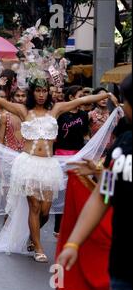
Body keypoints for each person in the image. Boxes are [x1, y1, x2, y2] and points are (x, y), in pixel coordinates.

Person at [0, 78, 113, 263]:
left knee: (45, 212)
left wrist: (107, 94)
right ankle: (38, 248)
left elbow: (81, 101)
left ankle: (31, 237)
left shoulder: (55, 110)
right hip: (28, 164)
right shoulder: (23, 110)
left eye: (44, 91)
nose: (41, 95)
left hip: (49, 166)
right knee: (34, 206)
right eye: (38, 91)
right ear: (32, 93)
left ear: (48, 93)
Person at [57, 73, 132, 290]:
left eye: (126, 102)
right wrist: (73, 244)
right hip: (123, 269)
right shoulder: (121, 145)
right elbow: (105, 194)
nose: (124, 107)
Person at [53, 85, 91, 238]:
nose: (83, 98)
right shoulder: (61, 114)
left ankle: (72, 227)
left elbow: (85, 135)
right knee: (61, 193)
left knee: (75, 192)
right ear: (71, 97)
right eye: (80, 95)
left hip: (77, 157)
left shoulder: (83, 115)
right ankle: (57, 228)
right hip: (60, 157)